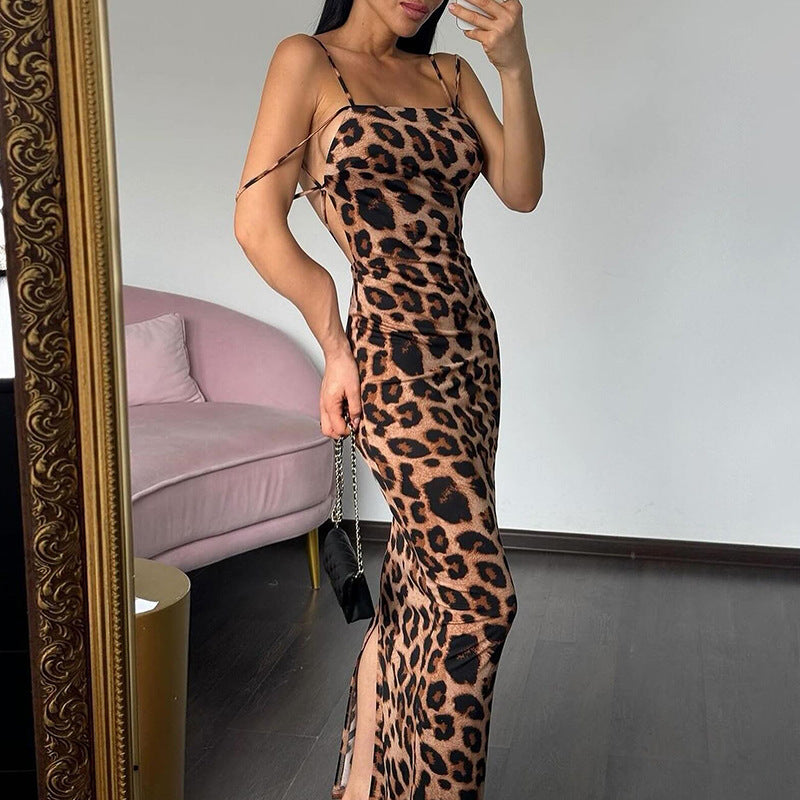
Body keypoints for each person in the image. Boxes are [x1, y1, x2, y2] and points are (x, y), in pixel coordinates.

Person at [234, 1, 544, 797]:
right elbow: (257, 221)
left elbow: (521, 188)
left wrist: (513, 65)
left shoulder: (451, 74)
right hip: (390, 357)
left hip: (469, 346)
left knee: (418, 580)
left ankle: (364, 783)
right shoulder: (306, 60)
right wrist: (334, 342)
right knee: (478, 598)